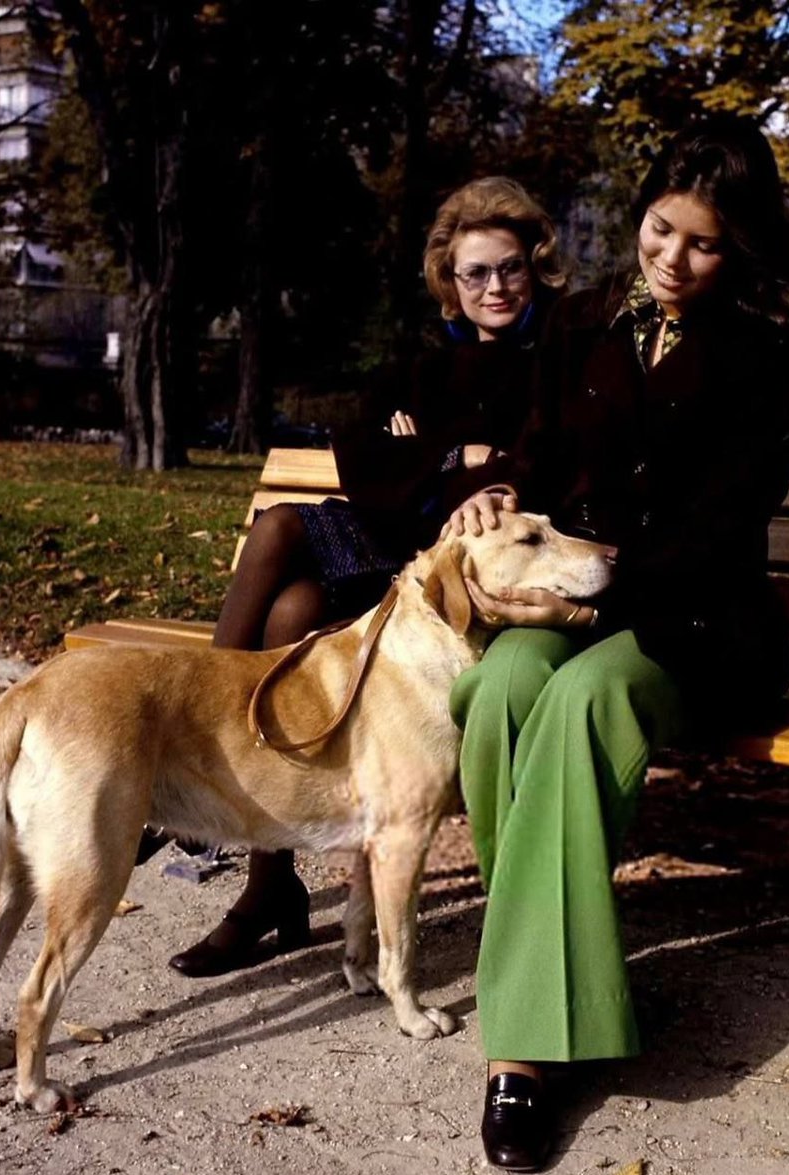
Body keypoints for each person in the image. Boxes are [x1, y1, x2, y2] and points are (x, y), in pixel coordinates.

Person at [445, 116, 789, 1172]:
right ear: (638, 215)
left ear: (738, 248)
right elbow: (541, 459)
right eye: (659, 229)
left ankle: (524, 1048)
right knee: (500, 683)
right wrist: (498, 493)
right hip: (584, 602)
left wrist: (585, 601)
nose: (672, 259)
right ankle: (549, 962)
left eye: (702, 243)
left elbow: (718, 531)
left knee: (581, 698)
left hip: (701, 623)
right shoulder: (583, 321)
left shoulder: (761, 353)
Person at [167, 175, 568, 977]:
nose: (494, 286)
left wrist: (429, 457)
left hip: (441, 582)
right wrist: (456, 459)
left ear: (534, 267)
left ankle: (252, 865)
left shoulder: (555, 363)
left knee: (295, 612)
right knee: (284, 553)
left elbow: (533, 471)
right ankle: (240, 824)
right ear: (449, 281)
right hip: (387, 541)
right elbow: (362, 458)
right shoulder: (422, 366)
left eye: (510, 268)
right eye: (474, 273)